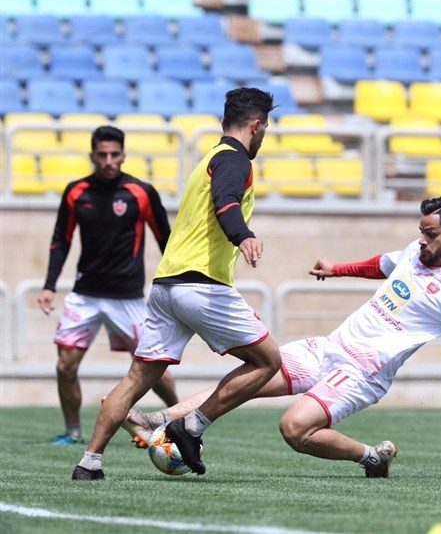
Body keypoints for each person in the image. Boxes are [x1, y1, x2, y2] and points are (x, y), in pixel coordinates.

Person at [120, 197, 441, 478]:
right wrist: (337, 269)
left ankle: (371, 456)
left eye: (430, 234)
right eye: (420, 232)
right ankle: (160, 419)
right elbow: (382, 265)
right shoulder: (415, 253)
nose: (421, 240)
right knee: (254, 371)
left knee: (293, 428)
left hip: (362, 374)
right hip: (329, 348)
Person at [72, 87, 283, 480]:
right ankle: (191, 426)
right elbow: (226, 201)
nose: (264, 136)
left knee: (136, 379)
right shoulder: (234, 160)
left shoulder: (208, 159)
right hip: (201, 286)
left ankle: (89, 463)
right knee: (269, 361)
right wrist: (243, 235)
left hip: (166, 286)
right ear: (256, 126)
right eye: (266, 129)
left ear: (223, 122)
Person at [38, 125, 178, 446]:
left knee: (155, 370)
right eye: (102, 155)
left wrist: (175, 284)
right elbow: (61, 240)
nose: (109, 161)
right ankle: (72, 432)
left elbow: (166, 240)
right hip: (84, 296)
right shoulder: (76, 192)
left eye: (115, 154)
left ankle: (180, 419)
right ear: (92, 156)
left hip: (128, 299)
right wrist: (49, 286)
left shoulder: (141, 192)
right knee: (65, 365)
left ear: (124, 155)